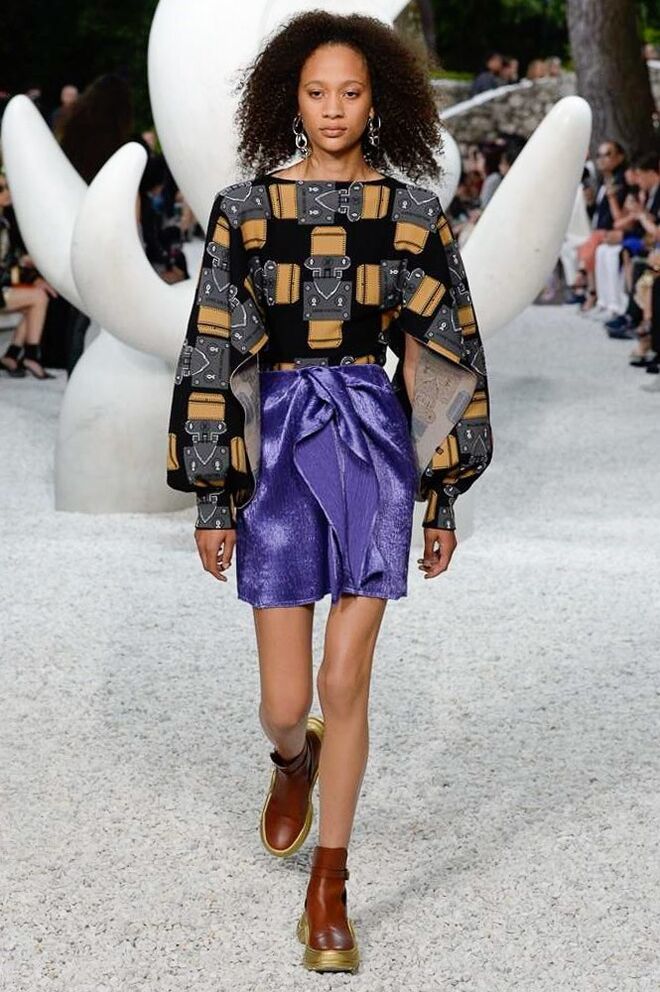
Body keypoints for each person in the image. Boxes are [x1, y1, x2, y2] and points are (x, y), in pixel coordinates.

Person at [166, 10, 494, 974]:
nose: (335, 109)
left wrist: (442, 495)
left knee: (344, 681)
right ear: (290, 100)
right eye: (317, 92)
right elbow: (214, 348)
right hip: (275, 448)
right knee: (285, 700)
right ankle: (290, 757)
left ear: (379, 100)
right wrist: (214, 497)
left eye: (351, 92)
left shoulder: (413, 214)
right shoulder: (244, 209)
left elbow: (446, 349)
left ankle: (330, 888)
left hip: (372, 445)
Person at [0, 175, 57, 378]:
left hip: (4, 287)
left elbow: (10, 262)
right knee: (38, 297)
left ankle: (13, 355)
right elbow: (7, 266)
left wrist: (25, 266)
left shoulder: (5, 221)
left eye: (8, 186)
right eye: (1, 189)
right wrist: (32, 277)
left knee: (36, 299)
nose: (8, 192)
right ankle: (30, 357)